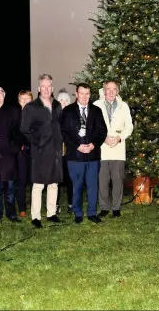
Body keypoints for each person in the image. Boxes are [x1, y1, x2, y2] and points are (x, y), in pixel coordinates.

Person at [20, 74, 63, 228]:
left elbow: (60, 127)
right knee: (38, 185)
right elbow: (24, 130)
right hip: (39, 152)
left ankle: (51, 214)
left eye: (48, 86)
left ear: (52, 88)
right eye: (43, 86)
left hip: (55, 151)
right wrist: (37, 143)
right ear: (38, 88)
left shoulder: (57, 105)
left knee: (53, 184)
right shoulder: (31, 107)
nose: (46, 89)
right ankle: (36, 216)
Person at [61, 83, 107, 224]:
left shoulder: (96, 111)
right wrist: (77, 146)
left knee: (93, 185)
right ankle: (78, 213)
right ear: (76, 93)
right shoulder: (68, 111)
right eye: (82, 93)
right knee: (77, 186)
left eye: (87, 94)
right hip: (75, 156)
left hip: (93, 156)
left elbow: (102, 131)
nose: (85, 96)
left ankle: (92, 212)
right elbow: (63, 133)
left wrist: (94, 144)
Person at [93, 81, 133, 218]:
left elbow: (129, 126)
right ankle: (104, 207)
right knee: (102, 181)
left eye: (113, 89)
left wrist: (119, 138)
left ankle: (116, 208)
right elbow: (92, 126)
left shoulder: (124, 106)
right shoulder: (96, 105)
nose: (110, 92)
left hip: (118, 149)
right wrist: (102, 138)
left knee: (117, 180)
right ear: (103, 91)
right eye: (108, 89)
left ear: (117, 91)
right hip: (102, 149)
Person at [0, 86, 21, 226]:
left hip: (9, 156)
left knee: (10, 187)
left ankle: (11, 213)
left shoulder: (13, 111)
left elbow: (19, 132)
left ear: (4, 95)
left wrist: (14, 148)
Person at [56, 89, 73, 214]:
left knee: (70, 180)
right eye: (61, 100)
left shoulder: (72, 115)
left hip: (70, 154)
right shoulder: (53, 116)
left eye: (66, 100)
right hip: (56, 154)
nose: (64, 103)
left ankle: (71, 203)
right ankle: (55, 204)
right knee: (56, 181)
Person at [16, 90, 34, 218]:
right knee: (21, 181)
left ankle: (34, 205)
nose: (25, 101)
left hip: (34, 152)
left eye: (27, 99)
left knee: (34, 181)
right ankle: (22, 208)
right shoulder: (15, 116)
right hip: (21, 152)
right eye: (22, 99)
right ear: (19, 101)